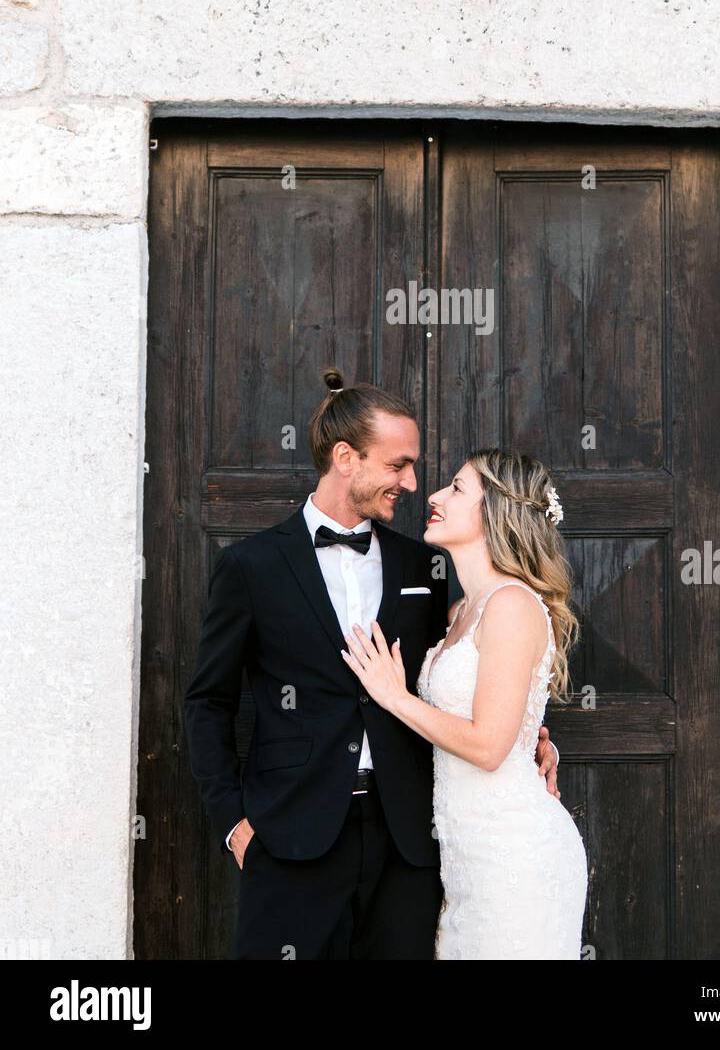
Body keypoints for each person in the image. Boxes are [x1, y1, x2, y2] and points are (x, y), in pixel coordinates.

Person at [183, 370, 561, 959]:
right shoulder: (250, 567)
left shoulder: (427, 567)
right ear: (345, 458)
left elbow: (481, 670)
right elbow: (207, 702)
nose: (412, 483)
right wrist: (234, 825)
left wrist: (532, 736)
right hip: (290, 838)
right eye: (397, 465)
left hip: (409, 841)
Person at [341, 448, 589, 959]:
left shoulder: (513, 605)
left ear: (497, 510)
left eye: (456, 489)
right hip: (463, 856)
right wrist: (535, 740)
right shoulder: (461, 611)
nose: (433, 496)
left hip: (514, 856)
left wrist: (394, 697)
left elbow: (488, 746)